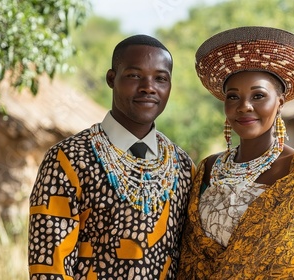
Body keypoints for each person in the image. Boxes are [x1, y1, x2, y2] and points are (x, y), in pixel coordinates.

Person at [177, 26, 294, 279]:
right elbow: (189, 255)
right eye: (233, 97)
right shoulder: (207, 168)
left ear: (280, 102)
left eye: (258, 96)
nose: (244, 106)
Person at [28, 35, 195, 280]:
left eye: (160, 78)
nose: (149, 87)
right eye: (134, 75)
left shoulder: (181, 166)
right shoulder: (69, 160)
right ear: (111, 78)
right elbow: (48, 267)